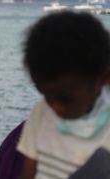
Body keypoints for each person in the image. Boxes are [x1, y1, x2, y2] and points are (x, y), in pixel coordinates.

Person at [18, 11, 110, 179]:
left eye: (65, 99)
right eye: (46, 95)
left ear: (104, 78)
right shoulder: (43, 112)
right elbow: (29, 171)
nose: (55, 107)